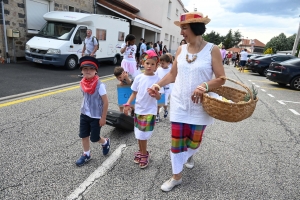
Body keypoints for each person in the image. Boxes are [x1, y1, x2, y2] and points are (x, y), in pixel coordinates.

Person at [148, 11, 225, 192]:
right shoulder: (181, 49)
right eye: (181, 28)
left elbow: (221, 78)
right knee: (177, 143)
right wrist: (157, 85)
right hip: (179, 103)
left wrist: (204, 85)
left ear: (195, 28)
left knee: (193, 143)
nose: (181, 32)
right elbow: (173, 75)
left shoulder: (212, 50)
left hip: (200, 107)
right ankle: (176, 177)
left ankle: (190, 155)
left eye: (184, 28)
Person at [124, 50, 163, 169]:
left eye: (152, 64)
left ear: (156, 66)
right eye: (147, 63)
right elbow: (134, 93)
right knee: (138, 134)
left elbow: (160, 97)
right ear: (143, 63)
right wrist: (128, 103)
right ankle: (141, 151)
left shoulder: (158, 79)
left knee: (143, 135)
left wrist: (155, 94)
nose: (149, 66)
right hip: (139, 110)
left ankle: (145, 154)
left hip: (150, 110)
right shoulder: (139, 77)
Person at [75, 56, 111, 167]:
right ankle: (86, 154)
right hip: (84, 113)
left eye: (91, 69)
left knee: (94, 138)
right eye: (85, 69)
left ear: (96, 71)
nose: (88, 71)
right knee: (83, 135)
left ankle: (105, 142)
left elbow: (105, 102)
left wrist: (103, 117)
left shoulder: (100, 85)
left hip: (96, 116)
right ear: (81, 71)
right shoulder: (82, 83)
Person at [155, 54, 172, 122]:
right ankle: (157, 115)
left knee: (164, 103)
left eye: (163, 63)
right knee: (158, 103)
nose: (161, 65)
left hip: (167, 89)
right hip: (160, 88)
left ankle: (165, 109)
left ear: (168, 63)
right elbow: (155, 76)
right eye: (160, 63)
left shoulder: (170, 70)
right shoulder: (159, 70)